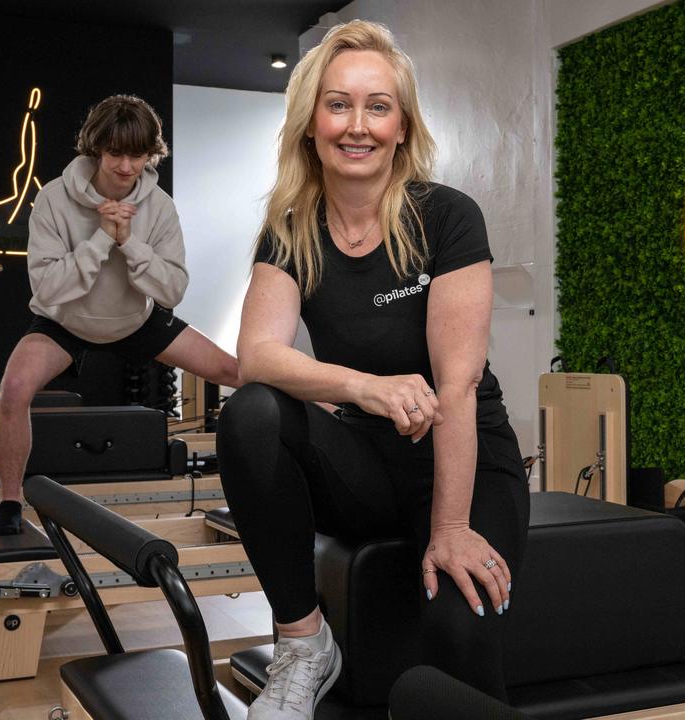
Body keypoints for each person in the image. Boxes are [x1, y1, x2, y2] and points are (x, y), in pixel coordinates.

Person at [218, 20, 529, 720]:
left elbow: (455, 384)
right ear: (310, 123)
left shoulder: (445, 216)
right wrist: (363, 386)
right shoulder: (292, 228)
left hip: (462, 460)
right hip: (364, 458)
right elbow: (256, 357)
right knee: (252, 415)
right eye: (338, 104)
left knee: (456, 626)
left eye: (377, 106)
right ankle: (303, 646)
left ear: (401, 126)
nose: (356, 125)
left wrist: (450, 526)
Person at [0, 95, 240, 535]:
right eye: (116, 153)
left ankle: (325, 411)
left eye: (137, 154)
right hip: (65, 322)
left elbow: (173, 289)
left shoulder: (159, 207)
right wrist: (102, 239)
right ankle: (10, 504)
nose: (126, 166)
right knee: (13, 390)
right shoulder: (53, 199)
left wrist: (129, 241)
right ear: (96, 148)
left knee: (233, 369)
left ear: (150, 153)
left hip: (135, 320)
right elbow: (47, 289)